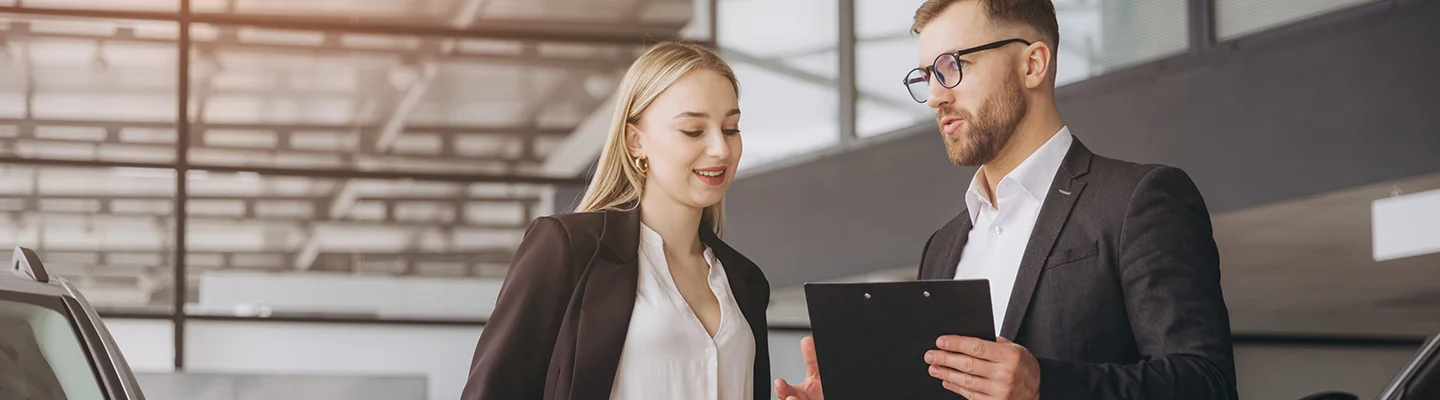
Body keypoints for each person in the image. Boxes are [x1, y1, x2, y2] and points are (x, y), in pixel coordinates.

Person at [775, 0, 1236, 399]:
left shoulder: (1139, 200)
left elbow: (1207, 383)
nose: (934, 96)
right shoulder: (943, 246)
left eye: (953, 66)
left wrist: (1044, 386)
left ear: (1033, 64)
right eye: (927, 75)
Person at [460, 41, 771, 400]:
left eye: (730, 129)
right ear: (635, 141)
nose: (721, 148)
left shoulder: (745, 281)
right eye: (693, 130)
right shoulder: (570, 250)